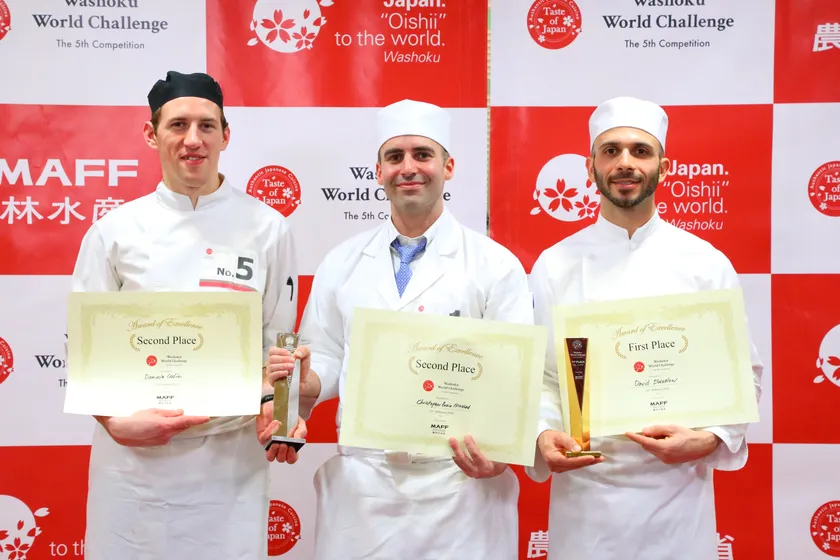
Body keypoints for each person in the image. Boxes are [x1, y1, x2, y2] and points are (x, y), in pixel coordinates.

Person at [265, 99, 533, 559]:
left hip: (460, 485)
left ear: (448, 167)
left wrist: (500, 453)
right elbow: (327, 354)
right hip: (365, 489)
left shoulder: (495, 265)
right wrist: (308, 380)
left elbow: (515, 378)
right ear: (378, 171)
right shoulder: (342, 263)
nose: (408, 168)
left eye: (422, 155)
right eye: (395, 157)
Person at [68, 70, 304, 560]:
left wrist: (279, 416)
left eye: (206, 126)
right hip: (134, 463)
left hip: (230, 461)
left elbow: (278, 342)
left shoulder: (267, 229)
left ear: (225, 135)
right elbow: (83, 348)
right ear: (151, 134)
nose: (193, 140)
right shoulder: (115, 231)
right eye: (177, 125)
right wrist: (112, 421)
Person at [527, 96, 763, 560]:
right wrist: (542, 433)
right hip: (587, 498)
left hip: (677, 496)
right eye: (610, 151)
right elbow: (542, 377)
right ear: (591, 167)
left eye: (640, 151)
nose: (625, 163)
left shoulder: (704, 263)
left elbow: (743, 376)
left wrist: (710, 437)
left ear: (664, 167)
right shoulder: (554, 265)